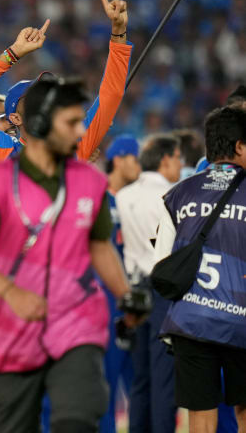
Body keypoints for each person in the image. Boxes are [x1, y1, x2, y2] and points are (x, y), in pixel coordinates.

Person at [0, 0, 131, 433]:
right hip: (8, 301)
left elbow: (108, 99)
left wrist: (118, 36)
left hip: (66, 303)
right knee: (4, 416)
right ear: (16, 117)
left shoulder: (75, 150)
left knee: (67, 414)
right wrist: (11, 54)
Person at [153, 106, 246, 433]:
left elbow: (161, 264)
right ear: (238, 147)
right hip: (241, 321)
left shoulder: (178, 193)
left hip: (190, 323)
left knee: (201, 422)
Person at [114, 134, 183, 433]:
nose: (180, 165)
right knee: (163, 376)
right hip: (163, 292)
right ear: (166, 159)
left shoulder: (124, 195)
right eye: (178, 158)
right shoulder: (175, 194)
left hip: (134, 290)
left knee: (140, 377)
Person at [100, 134, 139, 433]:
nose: (138, 165)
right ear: (120, 159)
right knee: (106, 389)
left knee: (140, 387)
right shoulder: (99, 197)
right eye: (134, 158)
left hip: (135, 303)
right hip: (105, 304)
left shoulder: (138, 200)